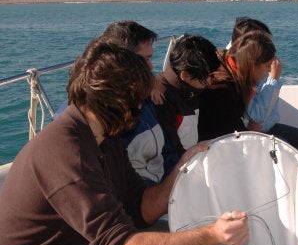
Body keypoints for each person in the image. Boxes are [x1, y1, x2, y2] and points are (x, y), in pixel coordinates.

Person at [0, 38, 247, 245]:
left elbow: (141, 209)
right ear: (119, 102)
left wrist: (180, 169)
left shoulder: (105, 138)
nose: (143, 106)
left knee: (177, 241)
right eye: (138, 99)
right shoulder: (65, 150)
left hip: (76, 244)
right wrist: (211, 235)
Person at [98, 20, 167, 185]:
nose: (150, 67)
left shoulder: (146, 98)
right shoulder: (102, 115)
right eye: (145, 59)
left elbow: (167, 153)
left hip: (163, 187)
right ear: (121, 61)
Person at [231, 17, 298, 156]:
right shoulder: (245, 70)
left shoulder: (259, 63)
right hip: (240, 133)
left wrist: (263, 127)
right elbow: (258, 116)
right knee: (285, 146)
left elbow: (273, 113)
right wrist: (273, 80)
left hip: (259, 128)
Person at [153, 34, 221, 176]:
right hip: (177, 172)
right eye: (205, 76)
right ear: (184, 75)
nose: (209, 82)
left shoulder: (188, 88)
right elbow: (170, 152)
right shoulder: (162, 100)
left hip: (191, 158)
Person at [197, 30, 276, 143]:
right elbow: (227, 135)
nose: (269, 70)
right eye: (267, 66)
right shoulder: (222, 91)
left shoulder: (234, 75)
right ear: (252, 65)